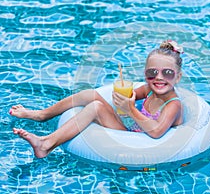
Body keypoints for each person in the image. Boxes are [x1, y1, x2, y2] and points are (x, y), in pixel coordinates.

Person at [10, 40, 184, 158]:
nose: (159, 78)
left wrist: (130, 109)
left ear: (178, 77)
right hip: (131, 127)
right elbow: (127, 96)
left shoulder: (173, 105)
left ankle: (46, 143)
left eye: (167, 73)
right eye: (152, 72)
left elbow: (156, 132)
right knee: (89, 95)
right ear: (146, 74)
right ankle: (42, 115)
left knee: (95, 107)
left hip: (137, 140)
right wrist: (122, 99)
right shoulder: (149, 89)